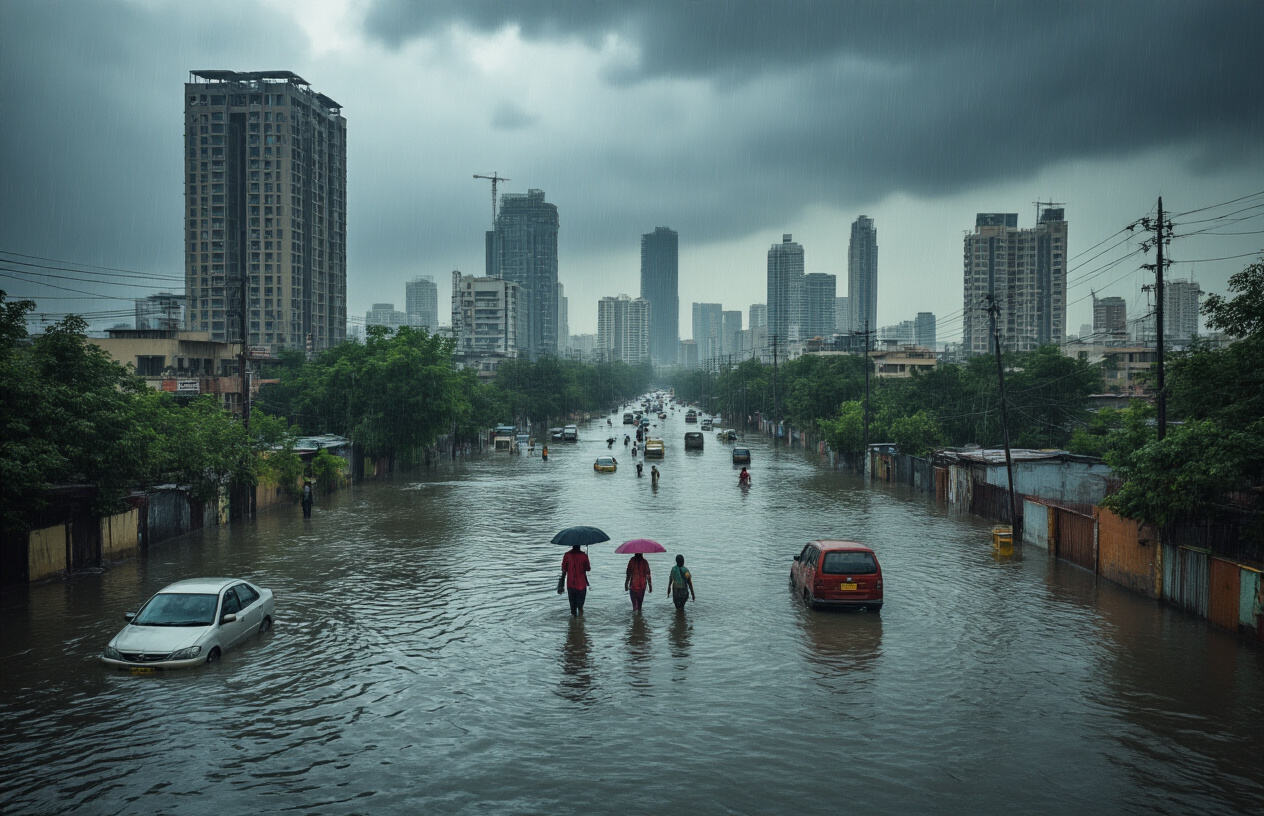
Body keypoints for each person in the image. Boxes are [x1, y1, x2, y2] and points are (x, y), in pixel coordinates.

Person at [561, 544, 591, 617]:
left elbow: (564, 570)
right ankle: (580, 623)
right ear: (580, 546)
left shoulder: (567, 555)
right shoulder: (584, 556)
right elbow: (588, 569)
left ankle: (573, 623)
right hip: (581, 585)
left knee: (572, 608)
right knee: (580, 607)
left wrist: (561, 584)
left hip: (570, 584)